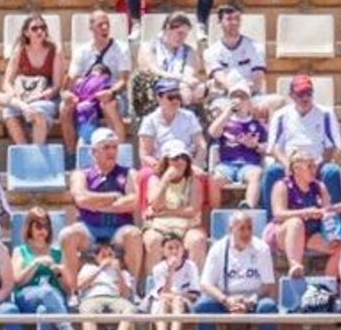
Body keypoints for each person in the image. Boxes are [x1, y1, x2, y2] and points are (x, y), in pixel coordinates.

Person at [64, 128, 143, 284]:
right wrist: (114, 197)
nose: (111, 152)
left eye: (114, 147)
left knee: (133, 234)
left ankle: (133, 289)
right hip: (90, 228)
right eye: (106, 147)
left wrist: (96, 205)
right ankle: (72, 290)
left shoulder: (129, 173)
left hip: (118, 229)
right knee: (68, 234)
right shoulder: (81, 174)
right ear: (94, 151)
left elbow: (133, 202)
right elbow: (80, 198)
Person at [195, 208, 277, 330]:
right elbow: (206, 283)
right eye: (242, 229)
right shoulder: (218, 248)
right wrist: (226, 300)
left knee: (268, 307)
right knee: (202, 307)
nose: (246, 233)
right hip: (225, 299)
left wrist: (251, 300)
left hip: (253, 300)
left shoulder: (262, 248)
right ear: (231, 229)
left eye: (249, 228)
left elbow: (268, 284)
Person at [264, 75, 341, 213]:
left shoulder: (325, 114)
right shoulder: (281, 115)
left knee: (332, 171)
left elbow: (332, 146)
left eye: (308, 94)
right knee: (272, 171)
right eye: (300, 94)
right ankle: (272, 220)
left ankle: (334, 221)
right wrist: (288, 165)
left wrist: (315, 166)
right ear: (291, 95)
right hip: (290, 163)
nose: (305, 98)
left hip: (317, 162)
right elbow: (274, 147)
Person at [11, 207, 81, 330]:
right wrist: (34, 264)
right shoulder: (20, 251)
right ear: (29, 228)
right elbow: (17, 281)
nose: (42, 230)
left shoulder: (57, 253)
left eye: (46, 226)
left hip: (54, 299)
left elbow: (68, 289)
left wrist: (58, 273)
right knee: (46, 291)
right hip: (27, 297)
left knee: (44, 310)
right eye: (38, 226)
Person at [61, 9, 129, 145]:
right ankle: (72, 154)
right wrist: (66, 93)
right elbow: (72, 77)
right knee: (65, 107)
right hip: (88, 96)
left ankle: (119, 151)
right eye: (100, 25)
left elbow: (123, 80)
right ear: (91, 28)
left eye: (107, 24)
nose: (105, 28)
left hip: (114, 94)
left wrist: (111, 92)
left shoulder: (121, 48)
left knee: (108, 105)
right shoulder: (82, 51)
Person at [266, 149, 337, 279]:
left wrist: (324, 215)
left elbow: (329, 213)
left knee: (340, 248)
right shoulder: (282, 185)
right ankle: (294, 265)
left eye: (314, 165)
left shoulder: (320, 187)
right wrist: (306, 212)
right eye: (309, 166)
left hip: (310, 233)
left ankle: (328, 282)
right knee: (296, 223)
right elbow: (278, 214)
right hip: (283, 232)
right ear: (297, 169)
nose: (313, 170)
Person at [144, 138, 212, 274]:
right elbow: (156, 205)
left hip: (187, 226)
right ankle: (152, 285)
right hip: (159, 227)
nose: (180, 162)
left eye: (183, 157)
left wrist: (163, 213)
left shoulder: (194, 181)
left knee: (197, 240)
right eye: (175, 158)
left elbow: (192, 211)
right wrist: (165, 180)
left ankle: (195, 286)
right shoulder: (155, 180)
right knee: (153, 241)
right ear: (166, 161)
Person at [1, 13, 63, 147]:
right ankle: (24, 150)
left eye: (43, 27)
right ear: (26, 33)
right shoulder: (20, 50)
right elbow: (6, 82)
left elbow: (57, 86)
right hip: (23, 96)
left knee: (37, 110)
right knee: (8, 111)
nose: (40, 31)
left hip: (46, 97)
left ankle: (36, 149)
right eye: (35, 28)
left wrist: (45, 94)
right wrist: (13, 95)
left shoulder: (55, 51)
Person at [209, 82, 270, 210]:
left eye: (242, 97)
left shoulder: (257, 125)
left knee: (256, 174)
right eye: (235, 97)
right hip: (226, 165)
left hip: (249, 165)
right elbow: (212, 132)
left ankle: (249, 208)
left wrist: (255, 145)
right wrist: (227, 113)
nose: (238, 100)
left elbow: (268, 148)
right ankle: (216, 213)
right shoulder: (225, 122)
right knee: (214, 179)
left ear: (249, 102)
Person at [76, 240, 137, 330]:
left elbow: (126, 294)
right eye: (103, 255)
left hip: (114, 298)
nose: (107, 258)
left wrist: (118, 272)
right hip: (92, 297)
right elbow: (80, 285)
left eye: (110, 255)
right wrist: (100, 268)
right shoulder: (89, 268)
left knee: (130, 308)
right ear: (96, 257)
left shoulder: (123, 273)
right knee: (87, 309)